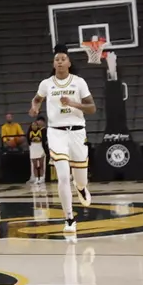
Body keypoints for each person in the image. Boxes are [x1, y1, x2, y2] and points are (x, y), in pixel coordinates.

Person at [29, 45, 96, 234]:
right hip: (56, 133)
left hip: (77, 132)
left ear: (69, 62)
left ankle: (81, 187)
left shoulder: (79, 82)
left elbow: (92, 108)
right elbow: (37, 99)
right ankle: (69, 219)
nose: (59, 62)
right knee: (63, 176)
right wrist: (35, 107)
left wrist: (73, 103)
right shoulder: (46, 84)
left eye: (63, 59)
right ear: (54, 63)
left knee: (80, 178)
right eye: (56, 59)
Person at [27, 118, 46, 185]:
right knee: (35, 165)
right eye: (33, 125)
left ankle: (41, 178)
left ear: (37, 126)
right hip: (33, 149)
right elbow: (29, 141)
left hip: (40, 148)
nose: (34, 126)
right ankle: (36, 178)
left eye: (35, 125)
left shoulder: (40, 132)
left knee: (41, 165)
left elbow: (43, 140)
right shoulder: (29, 133)